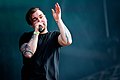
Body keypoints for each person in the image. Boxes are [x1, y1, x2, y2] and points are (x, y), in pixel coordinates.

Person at [19, 3, 72, 80]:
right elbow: (28, 54)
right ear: (31, 25)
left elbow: (68, 41)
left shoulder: (54, 36)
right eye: (35, 19)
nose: (39, 20)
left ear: (45, 18)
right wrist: (36, 32)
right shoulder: (26, 37)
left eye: (41, 17)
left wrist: (58, 20)